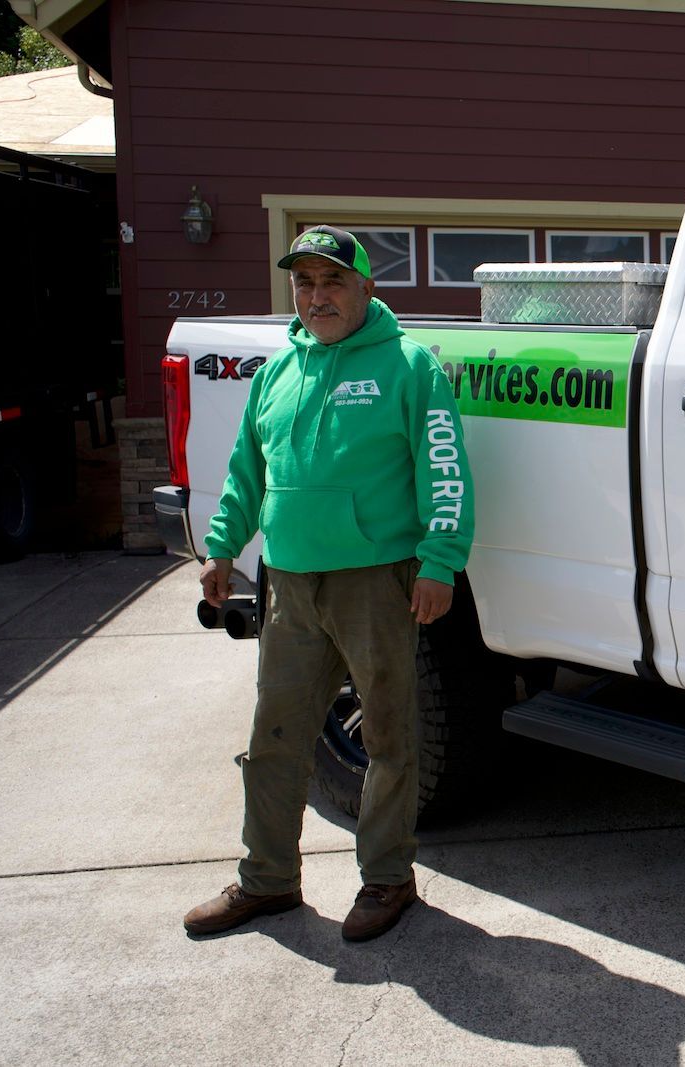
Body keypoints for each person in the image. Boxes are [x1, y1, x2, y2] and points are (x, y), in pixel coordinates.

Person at [184, 225, 473, 941]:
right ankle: (268, 880)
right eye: (305, 283)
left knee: (387, 737)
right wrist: (222, 548)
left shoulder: (410, 367)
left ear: (366, 288)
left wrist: (440, 561)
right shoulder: (277, 372)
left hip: (377, 583)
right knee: (275, 734)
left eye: (333, 281)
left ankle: (386, 879)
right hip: (288, 581)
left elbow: (447, 469)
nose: (318, 297)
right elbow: (247, 470)